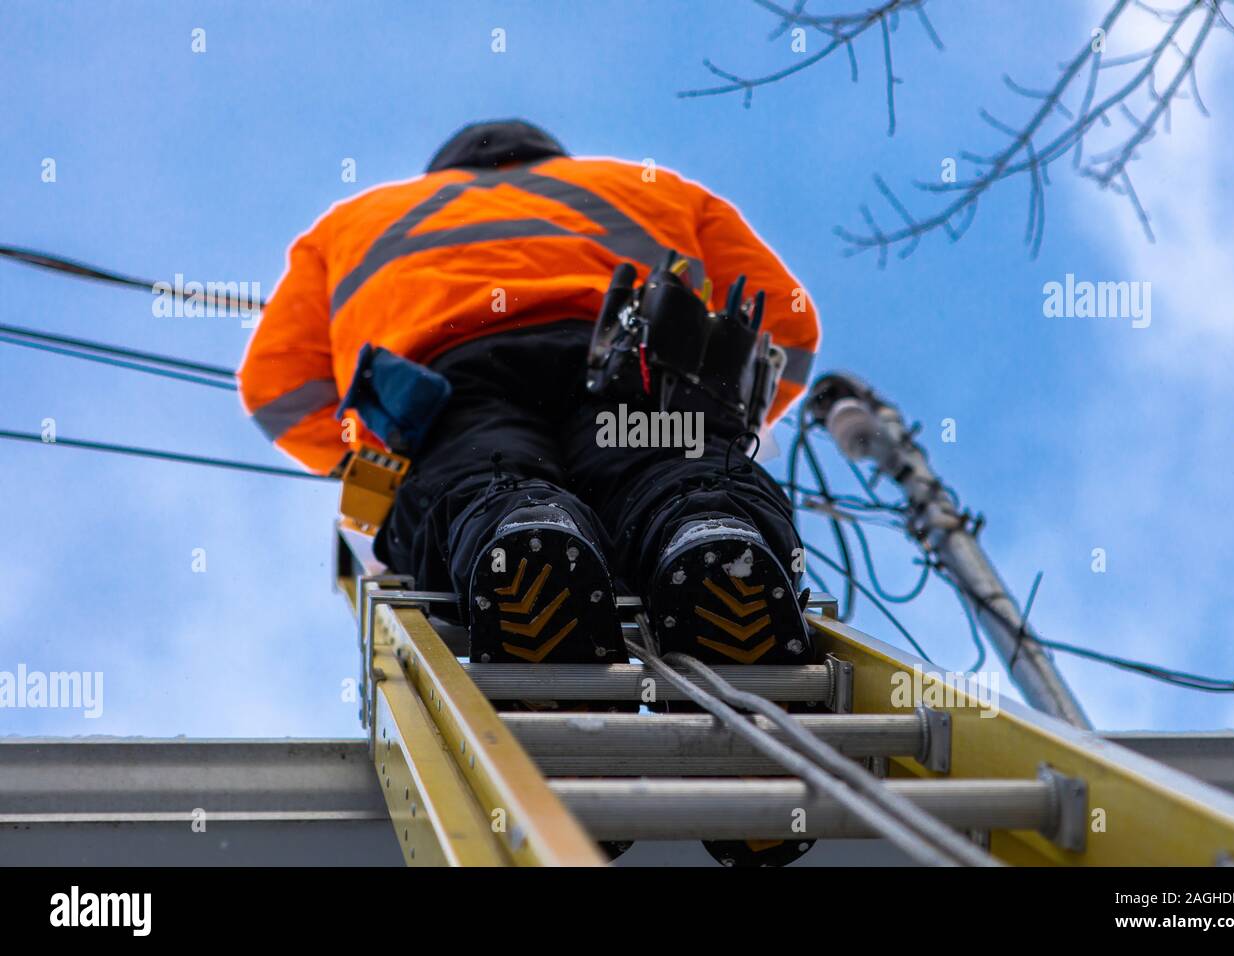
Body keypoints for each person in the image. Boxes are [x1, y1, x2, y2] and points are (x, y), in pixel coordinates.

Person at [238, 120, 820, 670]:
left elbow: (277, 383)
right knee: (661, 466)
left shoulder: (353, 220)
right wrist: (727, 416)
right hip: (636, 364)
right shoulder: (653, 189)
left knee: (482, 475)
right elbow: (786, 328)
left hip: (453, 380)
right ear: (550, 153)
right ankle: (710, 535)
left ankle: (527, 537)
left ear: (443, 169)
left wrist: (370, 455)